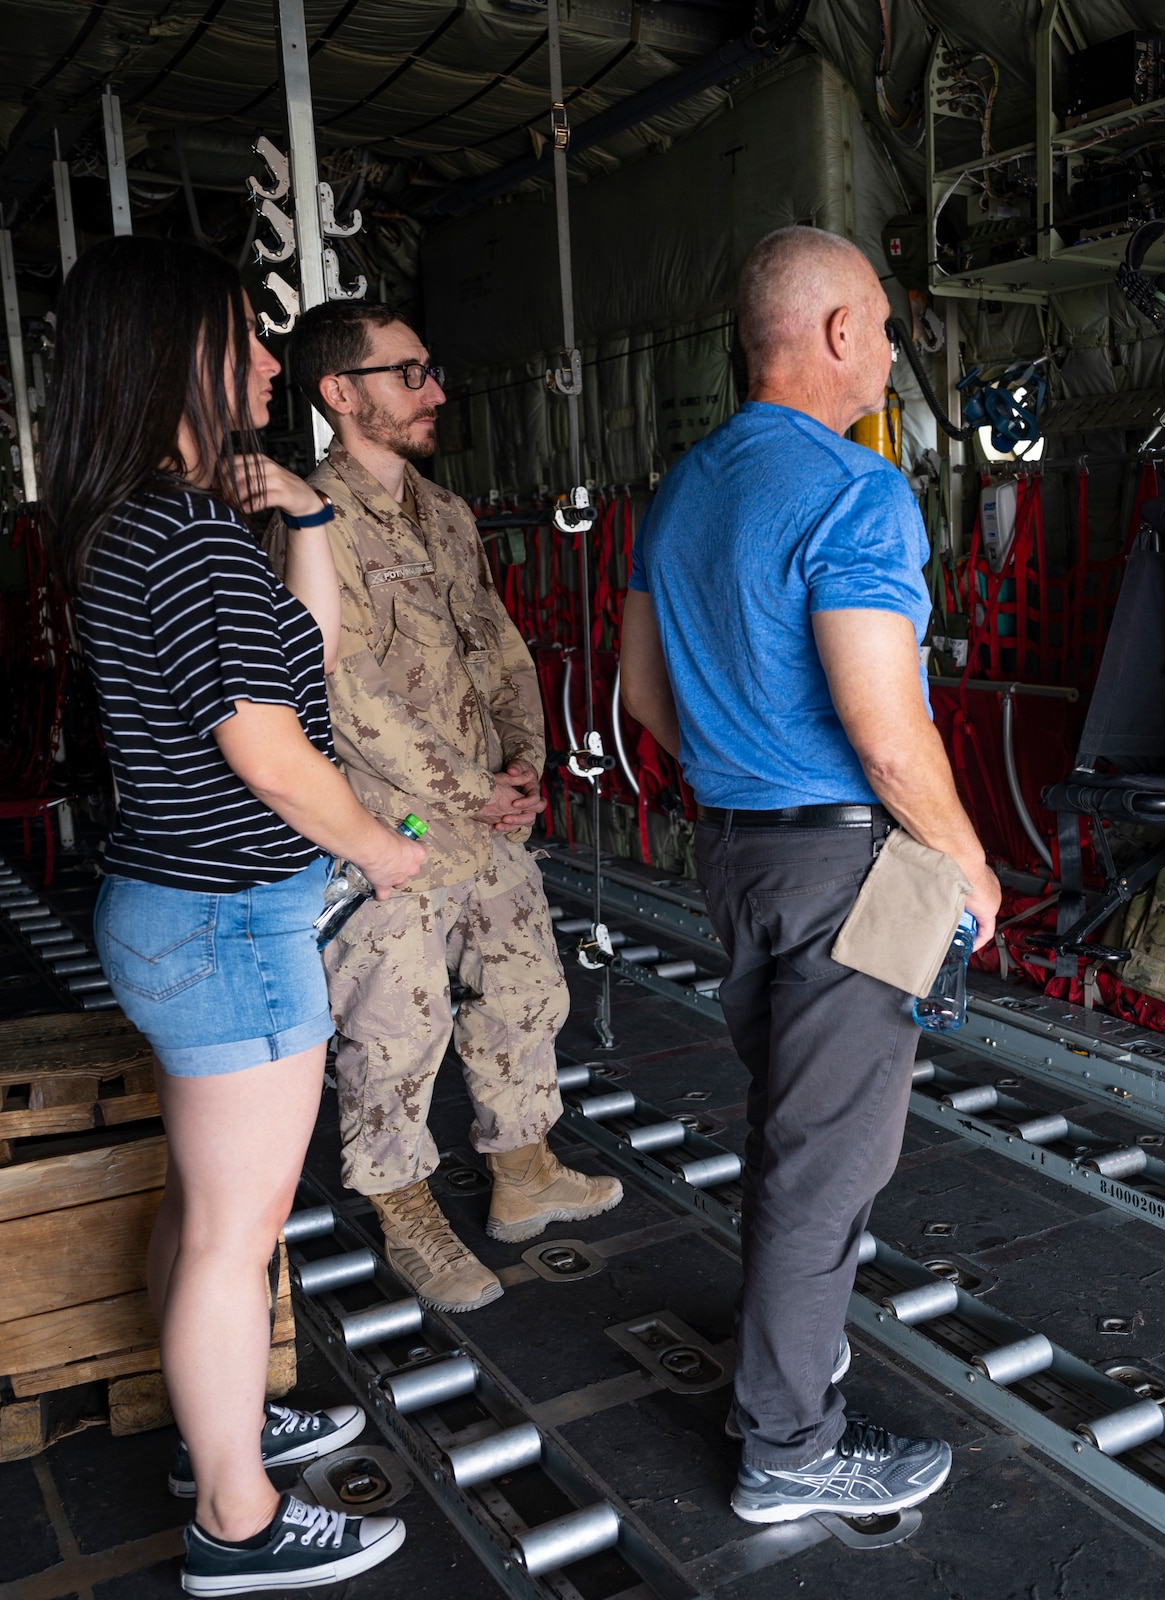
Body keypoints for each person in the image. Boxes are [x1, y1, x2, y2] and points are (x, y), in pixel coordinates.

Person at [45, 237, 422, 1591]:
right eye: (246, 338)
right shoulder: (185, 533)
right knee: (233, 1231)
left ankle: (224, 1430)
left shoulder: (145, 524)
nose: (274, 362)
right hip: (225, 926)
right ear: (175, 356)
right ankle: (237, 1518)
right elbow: (270, 746)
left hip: (180, 909)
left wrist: (306, 526)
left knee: (206, 1214)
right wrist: (384, 849)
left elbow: (299, 663)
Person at [618, 224, 1002, 1524]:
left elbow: (640, 695)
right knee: (827, 1160)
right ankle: (790, 1446)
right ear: (837, 332)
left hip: (736, 852)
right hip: (859, 861)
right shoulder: (855, 490)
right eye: (886, 326)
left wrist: (744, 761)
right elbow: (890, 736)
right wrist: (966, 860)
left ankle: (796, 1345)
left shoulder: (682, 490)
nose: (892, 352)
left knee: (806, 1129)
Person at [277, 300, 620, 1313]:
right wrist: (478, 789)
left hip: (484, 811)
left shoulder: (447, 512)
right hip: (391, 827)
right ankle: (406, 1209)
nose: (435, 390)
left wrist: (529, 758)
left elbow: (500, 644)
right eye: (408, 373)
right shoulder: (307, 519)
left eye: (429, 369)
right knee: (396, 1022)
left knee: (525, 982)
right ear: (341, 394)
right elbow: (347, 694)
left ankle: (523, 1170)